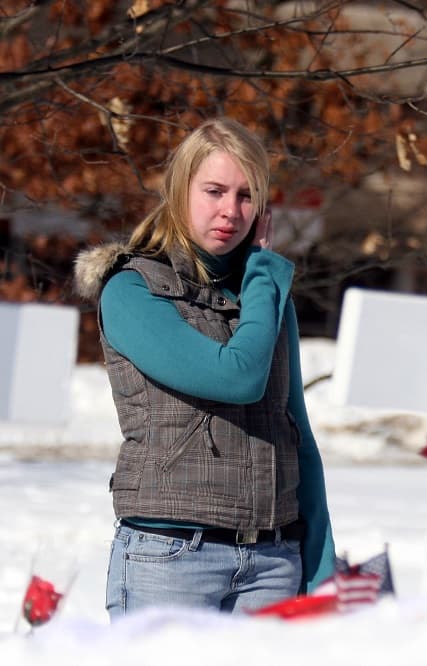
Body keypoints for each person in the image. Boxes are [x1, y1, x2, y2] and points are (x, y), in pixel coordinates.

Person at [73, 117, 335, 618]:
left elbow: (296, 432)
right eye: (214, 191)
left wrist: (320, 561)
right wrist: (264, 276)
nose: (230, 211)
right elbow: (236, 377)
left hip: (274, 560)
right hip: (172, 560)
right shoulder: (131, 289)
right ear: (180, 189)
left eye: (246, 196)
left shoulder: (265, 297)